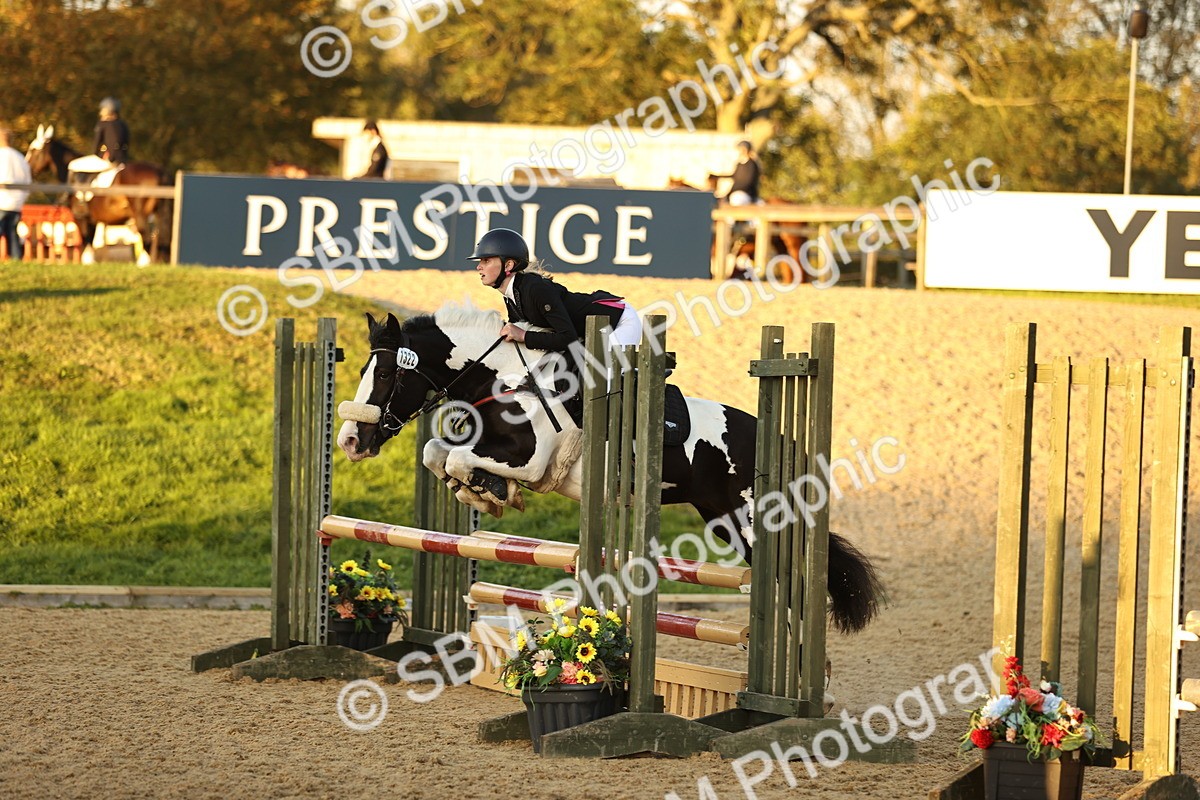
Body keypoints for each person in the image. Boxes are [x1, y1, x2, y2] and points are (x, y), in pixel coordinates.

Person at [469, 228, 641, 351]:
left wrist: (523, 335)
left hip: (619, 321)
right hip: (592, 332)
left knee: (605, 378)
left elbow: (568, 338)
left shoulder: (535, 289)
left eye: (486, 261)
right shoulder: (512, 295)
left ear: (508, 265)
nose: (479, 267)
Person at [0, 126, 32, 259]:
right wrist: (21, 199)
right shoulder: (20, 158)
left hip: (1, 201)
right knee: (12, 234)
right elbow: (28, 182)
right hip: (16, 204)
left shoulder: (1, 155)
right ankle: (16, 259)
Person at [709, 139, 761, 206]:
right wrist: (717, 176)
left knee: (736, 199)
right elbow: (734, 176)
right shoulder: (740, 164)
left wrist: (731, 191)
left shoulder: (751, 164)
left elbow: (747, 182)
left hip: (745, 193)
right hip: (737, 192)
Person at [94, 97, 130, 165]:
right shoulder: (123, 124)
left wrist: (96, 154)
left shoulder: (102, 124)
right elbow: (126, 143)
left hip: (106, 158)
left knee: (75, 166)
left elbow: (97, 142)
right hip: (123, 158)